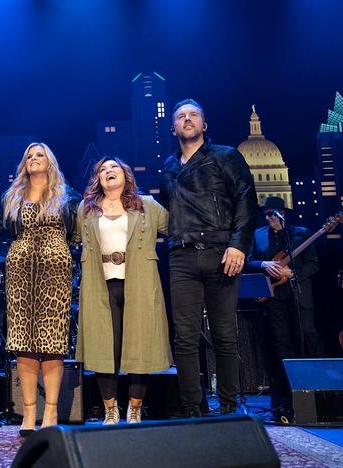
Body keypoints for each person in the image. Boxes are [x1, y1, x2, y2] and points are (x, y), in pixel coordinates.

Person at [160, 99, 258, 417]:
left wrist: (239, 245)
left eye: (193, 115)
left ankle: (230, 408)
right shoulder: (168, 167)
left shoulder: (226, 155)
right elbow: (166, 211)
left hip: (221, 252)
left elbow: (246, 199)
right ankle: (193, 408)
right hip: (181, 256)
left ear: (204, 125)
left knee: (225, 335)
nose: (187, 119)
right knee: (185, 338)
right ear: (173, 127)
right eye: (180, 117)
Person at [75, 157, 171, 424]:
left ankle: (135, 408)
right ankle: (110, 409)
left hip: (138, 282)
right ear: (98, 179)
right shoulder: (86, 209)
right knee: (103, 347)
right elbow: (73, 237)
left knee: (139, 344)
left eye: (113, 167)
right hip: (100, 284)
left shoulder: (147, 206)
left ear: (126, 174)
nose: (108, 171)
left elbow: (177, 226)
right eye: (103, 169)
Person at [3, 142, 78, 437]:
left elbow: (74, 232)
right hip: (20, 269)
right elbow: (9, 231)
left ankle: (51, 410)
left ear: (50, 162)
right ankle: (29, 410)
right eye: (29, 156)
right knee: (24, 341)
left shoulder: (66, 196)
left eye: (40, 155)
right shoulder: (13, 197)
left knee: (52, 341)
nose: (34, 159)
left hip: (55, 269)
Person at [247, 196, 320, 422]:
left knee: (306, 339)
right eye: (266, 214)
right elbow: (249, 260)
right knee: (281, 344)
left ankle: (312, 394)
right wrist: (263, 264)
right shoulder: (257, 235)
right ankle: (285, 397)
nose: (268, 218)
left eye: (272, 214)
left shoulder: (300, 233)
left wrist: (293, 274)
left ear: (282, 214)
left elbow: (313, 264)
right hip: (274, 299)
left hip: (298, 297)